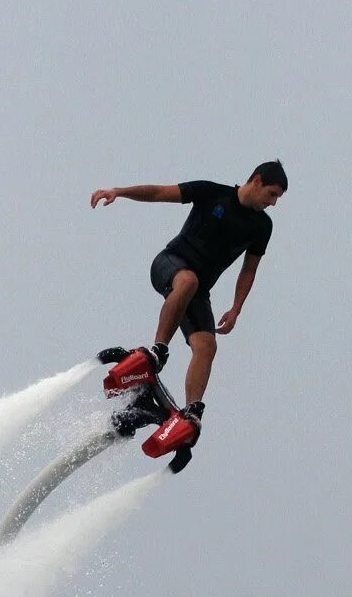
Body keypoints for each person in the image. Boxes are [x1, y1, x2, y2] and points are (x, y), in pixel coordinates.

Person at [90, 161, 287, 423]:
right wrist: (119, 191)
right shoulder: (212, 193)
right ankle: (157, 351)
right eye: (272, 194)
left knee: (207, 346)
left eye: (278, 198)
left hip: (197, 290)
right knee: (188, 281)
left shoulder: (262, 226)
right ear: (257, 180)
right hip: (169, 264)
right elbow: (159, 192)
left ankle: (190, 414)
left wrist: (236, 307)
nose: (273, 203)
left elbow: (249, 269)